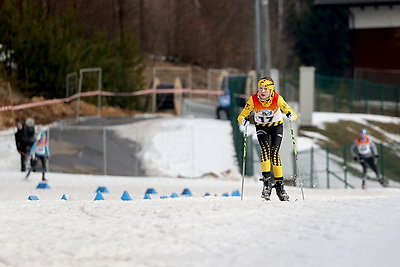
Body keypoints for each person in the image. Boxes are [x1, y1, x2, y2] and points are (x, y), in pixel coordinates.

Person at [237, 77, 297, 201]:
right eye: (260, 88)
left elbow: (290, 111)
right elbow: (242, 115)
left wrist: (291, 115)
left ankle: (280, 186)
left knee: (274, 153)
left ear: (271, 90)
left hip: (276, 127)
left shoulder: (277, 98)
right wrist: (243, 120)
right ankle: (266, 184)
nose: (262, 91)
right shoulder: (253, 100)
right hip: (262, 127)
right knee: (265, 151)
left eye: (265, 89)